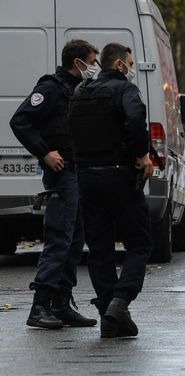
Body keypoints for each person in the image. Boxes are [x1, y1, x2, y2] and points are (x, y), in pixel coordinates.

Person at [10, 40, 101, 329]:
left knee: (75, 241)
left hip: (78, 172)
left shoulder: (79, 90)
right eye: (91, 61)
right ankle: (39, 307)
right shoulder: (51, 88)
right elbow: (20, 121)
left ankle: (61, 303)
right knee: (59, 238)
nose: (94, 68)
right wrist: (45, 152)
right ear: (77, 63)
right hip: (62, 176)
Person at [67, 42, 154, 337]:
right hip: (120, 174)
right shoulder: (125, 90)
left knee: (99, 248)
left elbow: (70, 131)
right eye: (129, 62)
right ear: (119, 65)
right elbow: (134, 120)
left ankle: (108, 313)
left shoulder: (80, 92)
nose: (131, 68)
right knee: (139, 243)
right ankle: (121, 301)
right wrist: (142, 155)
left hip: (87, 178)